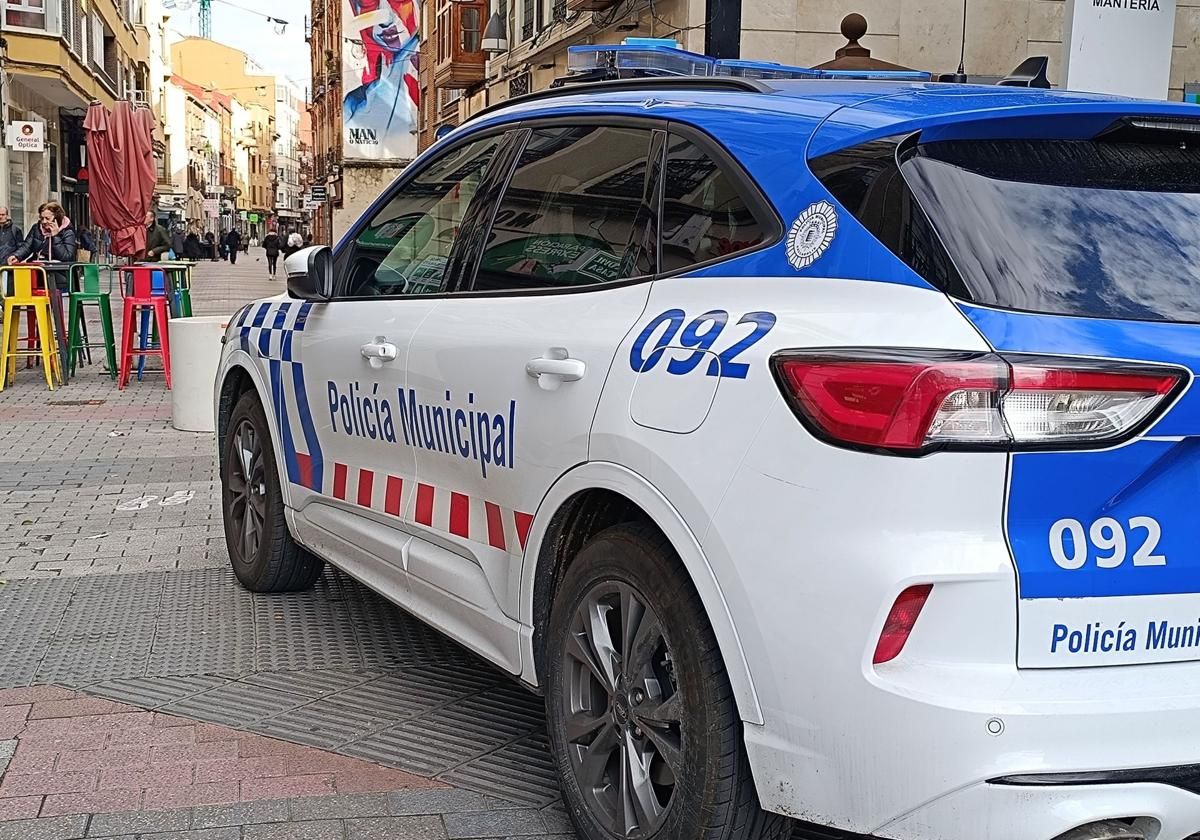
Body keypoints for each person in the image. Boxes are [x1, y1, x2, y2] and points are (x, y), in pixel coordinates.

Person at [7, 202, 76, 264]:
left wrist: (56, 236)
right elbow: (27, 246)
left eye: (47, 218)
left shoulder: (67, 232)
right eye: (42, 218)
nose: (44, 222)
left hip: (57, 271)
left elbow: (67, 257)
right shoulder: (36, 228)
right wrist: (16, 256)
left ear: (56, 219)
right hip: (38, 267)